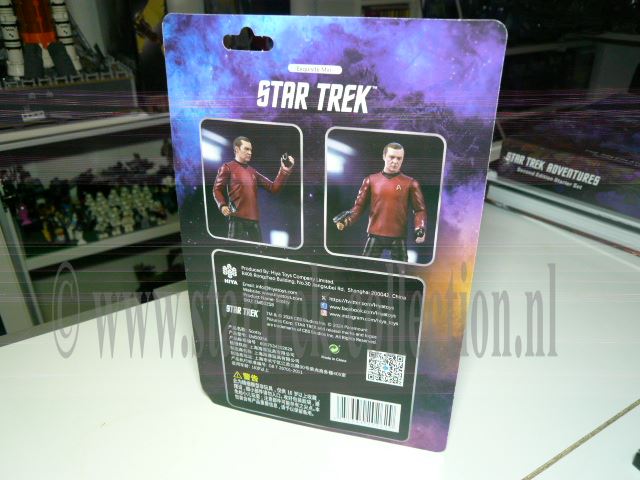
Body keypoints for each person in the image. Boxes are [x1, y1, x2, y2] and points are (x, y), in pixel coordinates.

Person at [334, 142, 426, 262]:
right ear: (384, 156)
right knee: (366, 266)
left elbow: (419, 210)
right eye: (392, 157)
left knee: (401, 269)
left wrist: (420, 228)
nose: (395, 161)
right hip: (375, 234)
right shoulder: (370, 180)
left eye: (399, 158)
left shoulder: (410, 183)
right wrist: (347, 220)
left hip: (398, 236)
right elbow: (359, 206)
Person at [213, 136, 294, 242]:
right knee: (234, 249)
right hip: (237, 219)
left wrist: (284, 170)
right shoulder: (227, 167)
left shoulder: (253, 172)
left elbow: (273, 188)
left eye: (251, 150)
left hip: (254, 220)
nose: (250, 152)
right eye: (246, 149)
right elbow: (217, 189)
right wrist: (222, 205)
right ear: (237, 149)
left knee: (259, 250)